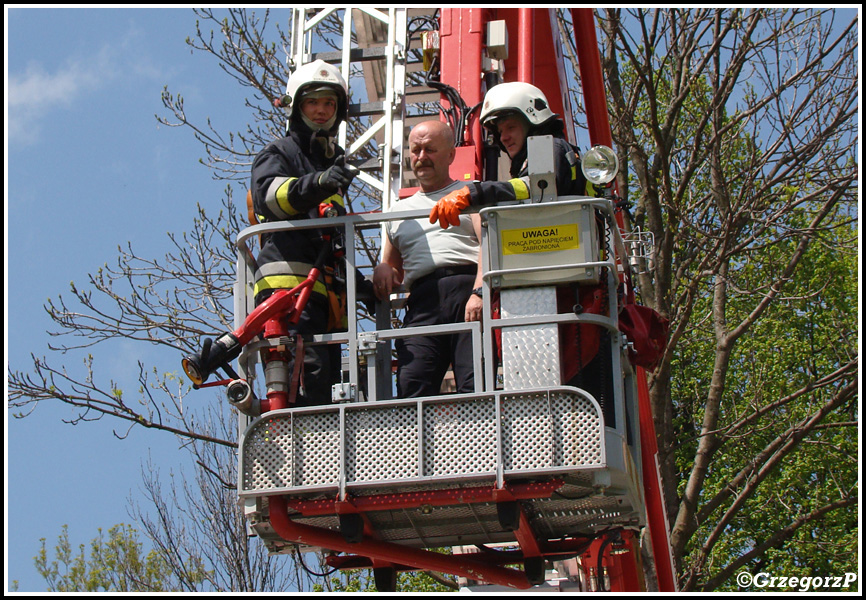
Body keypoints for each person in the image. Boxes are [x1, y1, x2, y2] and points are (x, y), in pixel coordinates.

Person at [250, 59, 358, 407]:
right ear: (297, 106)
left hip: (324, 294)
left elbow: (331, 237)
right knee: (302, 382)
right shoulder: (279, 153)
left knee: (325, 385)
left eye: (329, 103)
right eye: (313, 102)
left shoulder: (331, 162)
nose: (322, 110)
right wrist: (318, 183)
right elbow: (270, 199)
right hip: (287, 293)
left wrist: (366, 287)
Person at [373, 120, 483, 397]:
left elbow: (490, 246)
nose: (421, 158)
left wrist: (480, 292)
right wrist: (383, 269)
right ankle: (414, 441)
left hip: (466, 292)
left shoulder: (471, 194)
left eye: (430, 150)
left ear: (450, 155)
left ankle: (481, 438)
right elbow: (393, 269)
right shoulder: (397, 212)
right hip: (423, 301)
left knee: (475, 383)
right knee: (412, 383)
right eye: (416, 150)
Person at [428, 81, 588, 228]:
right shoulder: (541, 156)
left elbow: (534, 186)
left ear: (533, 121)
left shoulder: (551, 147)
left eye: (511, 127)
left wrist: (473, 192)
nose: (504, 137)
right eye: (500, 131)